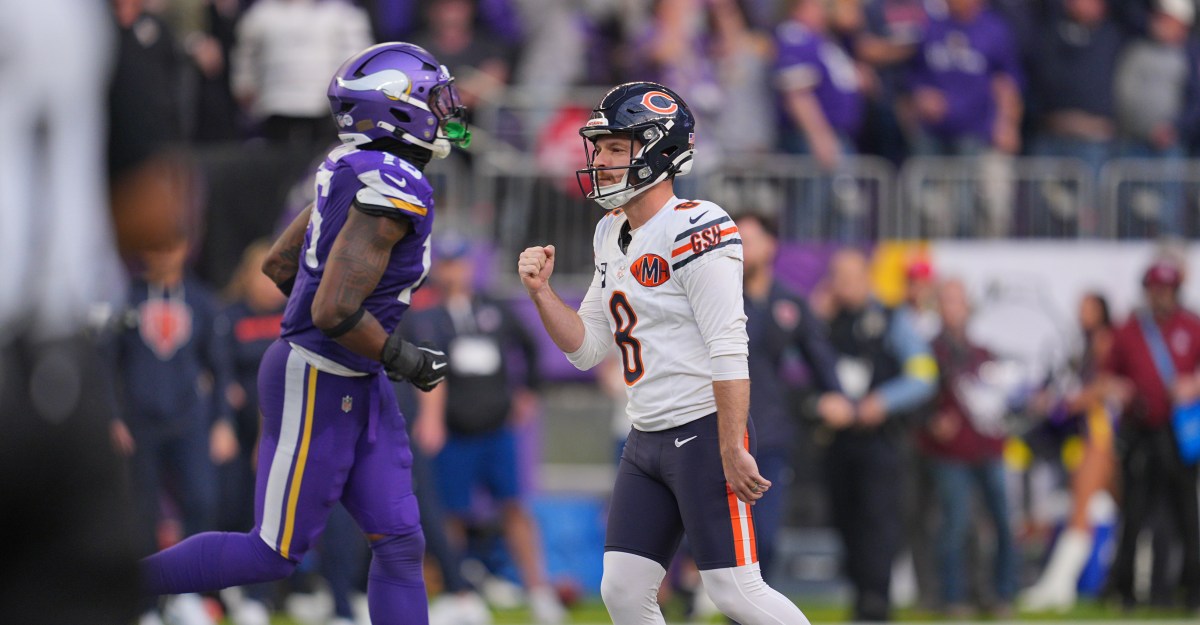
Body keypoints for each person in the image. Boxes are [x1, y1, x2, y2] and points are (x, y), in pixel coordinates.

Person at [139, 43, 472, 625]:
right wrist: (405, 357)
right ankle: (116, 589)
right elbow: (333, 310)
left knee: (399, 540)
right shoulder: (392, 184)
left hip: (350, 373)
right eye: (434, 99)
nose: (446, 111)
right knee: (271, 553)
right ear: (396, 109)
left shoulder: (345, 165)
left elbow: (276, 265)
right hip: (321, 375)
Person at [517, 81, 810, 625]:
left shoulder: (698, 226)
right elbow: (587, 347)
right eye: (599, 147)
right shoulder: (611, 231)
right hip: (645, 434)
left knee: (734, 591)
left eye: (614, 148)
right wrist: (541, 293)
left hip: (701, 430)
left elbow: (728, 344)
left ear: (657, 151)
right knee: (623, 593)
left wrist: (730, 444)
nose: (600, 160)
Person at [405, 238, 564, 624]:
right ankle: (454, 588)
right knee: (449, 513)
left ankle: (538, 590)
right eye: (447, 265)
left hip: (496, 429)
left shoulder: (494, 307)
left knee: (514, 507)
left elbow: (530, 348)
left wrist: (528, 393)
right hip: (456, 432)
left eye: (459, 264)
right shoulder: (426, 315)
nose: (454, 273)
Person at [820, 248, 938, 621]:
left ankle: (876, 604)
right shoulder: (826, 322)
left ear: (867, 278)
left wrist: (882, 402)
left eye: (852, 277)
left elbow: (923, 375)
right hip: (838, 442)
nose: (845, 285)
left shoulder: (891, 319)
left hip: (880, 441)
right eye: (838, 277)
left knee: (878, 523)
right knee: (845, 521)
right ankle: (860, 599)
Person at [735, 211, 845, 582]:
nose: (742, 250)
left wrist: (835, 395)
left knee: (763, 541)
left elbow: (819, 356)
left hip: (769, 434)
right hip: (716, 432)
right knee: (709, 537)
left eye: (749, 241)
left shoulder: (789, 302)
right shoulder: (717, 295)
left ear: (771, 246)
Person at [1103, 259, 1200, 611]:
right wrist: (1120, 389)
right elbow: (1107, 376)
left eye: (1167, 289)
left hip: (1179, 432)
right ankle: (1126, 590)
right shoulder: (1129, 330)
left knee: (1186, 512)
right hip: (1140, 430)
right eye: (1155, 289)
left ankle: (1190, 589)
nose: (1160, 295)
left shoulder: (1191, 325)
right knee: (1135, 511)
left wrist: (1194, 385)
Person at [919, 278, 1017, 617]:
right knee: (955, 524)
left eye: (958, 301)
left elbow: (1002, 399)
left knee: (1002, 522)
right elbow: (915, 397)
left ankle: (1001, 595)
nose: (953, 308)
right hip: (950, 454)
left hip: (987, 447)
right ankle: (952, 597)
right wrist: (932, 420)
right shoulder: (928, 350)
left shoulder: (981, 353)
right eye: (947, 301)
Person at [1020, 292, 1118, 612]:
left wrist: (1066, 403)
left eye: (1089, 308)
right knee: (1083, 506)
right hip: (1087, 434)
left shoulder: (1105, 342)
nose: (1082, 314)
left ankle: (1061, 582)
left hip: (1103, 433)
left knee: (1082, 507)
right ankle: (1061, 581)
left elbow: (1102, 388)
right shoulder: (1080, 348)